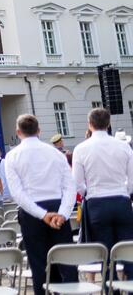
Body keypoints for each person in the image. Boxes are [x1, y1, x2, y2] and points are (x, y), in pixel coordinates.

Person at [5, 114, 76, 295]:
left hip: (32, 212)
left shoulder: (12, 156)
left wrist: (42, 215)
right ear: (39, 130)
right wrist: (63, 213)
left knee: (39, 266)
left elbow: (17, 193)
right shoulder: (56, 153)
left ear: (18, 132)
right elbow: (70, 186)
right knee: (66, 263)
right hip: (57, 208)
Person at [72, 108, 133, 283]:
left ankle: (109, 288)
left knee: (104, 252)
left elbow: (77, 182)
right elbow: (132, 179)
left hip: (96, 202)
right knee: (127, 249)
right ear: (108, 124)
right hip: (121, 201)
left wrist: (89, 193)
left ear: (90, 125)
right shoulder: (124, 147)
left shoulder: (81, 148)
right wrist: (125, 192)